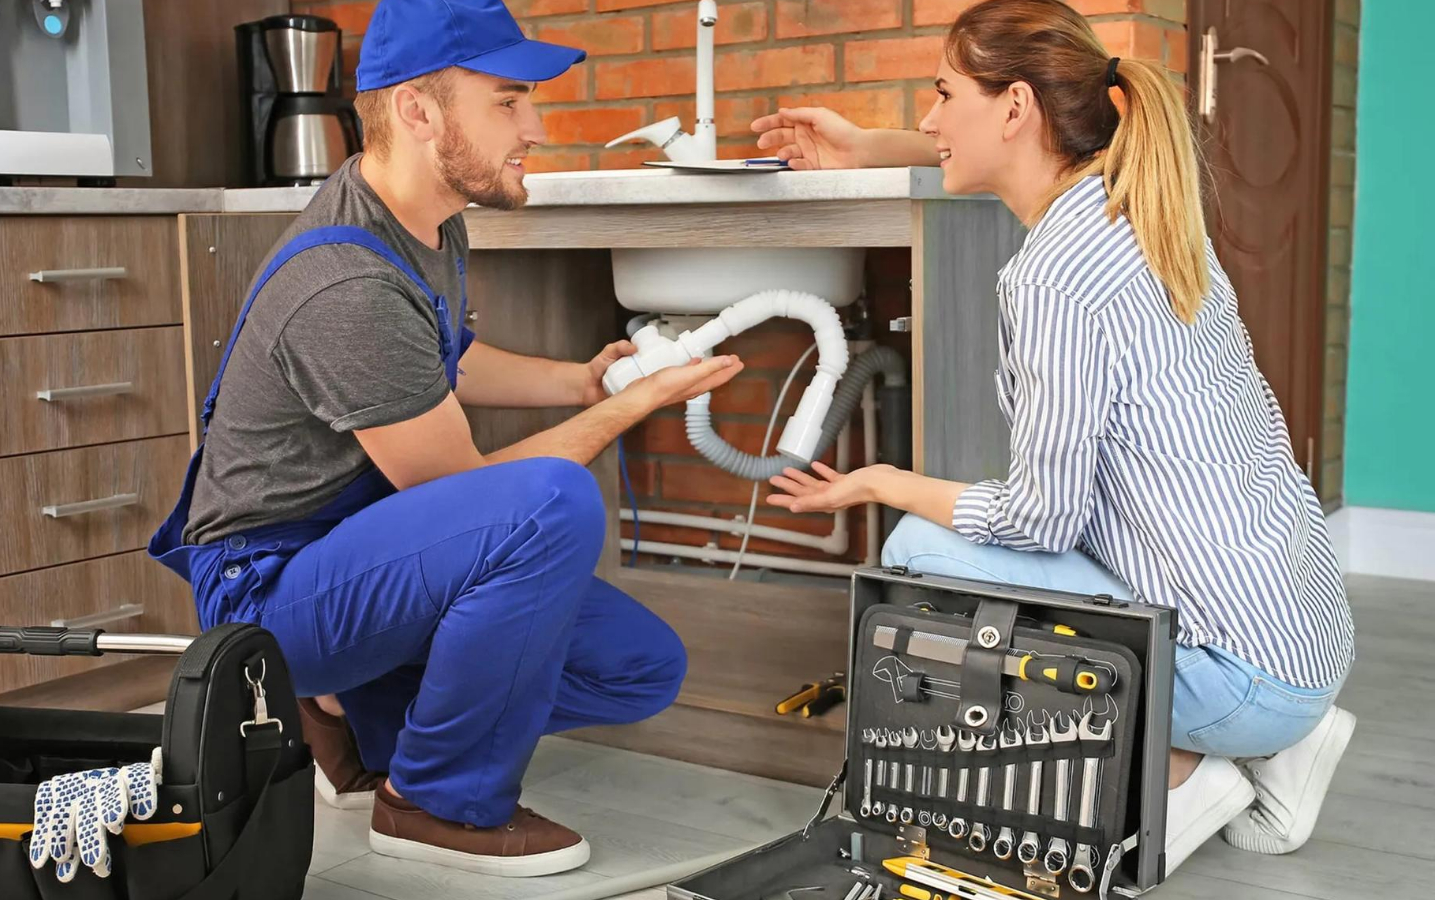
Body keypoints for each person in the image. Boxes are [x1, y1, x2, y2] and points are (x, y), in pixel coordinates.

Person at [754, 0, 1355, 877]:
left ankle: (1188, 769)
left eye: (941, 92)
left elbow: (1043, 521)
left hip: (1243, 679)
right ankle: (1280, 745)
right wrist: (870, 147)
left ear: (1015, 108)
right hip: (1304, 634)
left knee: (921, 547)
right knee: (971, 534)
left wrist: (885, 480)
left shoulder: (1053, 278)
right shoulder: (1142, 205)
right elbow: (993, 143)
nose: (926, 118)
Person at [148, 0, 743, 879]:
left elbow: (441, 362)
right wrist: (625, 408)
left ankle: (350, 710)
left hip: (354, 555)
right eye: (507, 101)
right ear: (421, 113)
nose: (534, 127)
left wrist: (577, 380)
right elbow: (462, 490)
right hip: (267, 593)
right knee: (551, 503)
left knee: (639, 668)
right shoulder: (344, 279)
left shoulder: (427, 219)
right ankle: (434, 798)